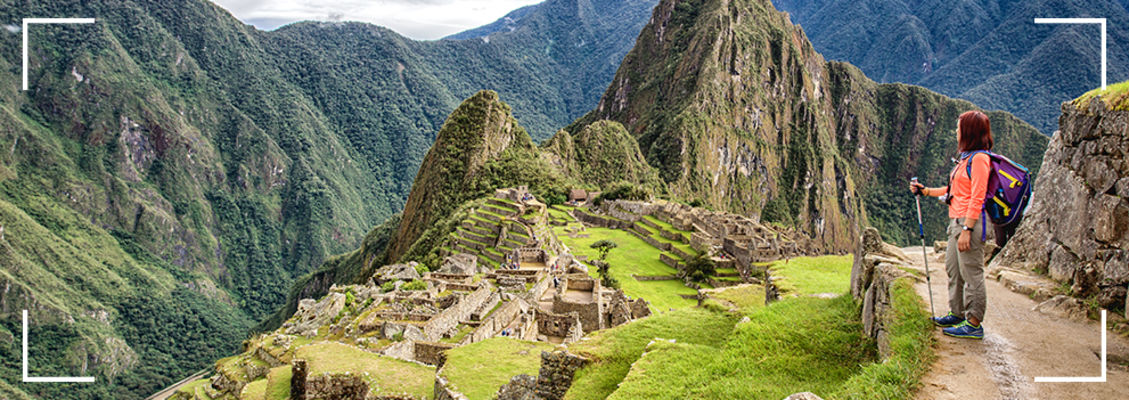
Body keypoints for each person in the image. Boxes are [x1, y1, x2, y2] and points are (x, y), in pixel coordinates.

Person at [909, 110, 993, 340]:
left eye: (959, 128)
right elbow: (952, 191)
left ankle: (974, 323)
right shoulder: (965, 159)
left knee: (972, 273)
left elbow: (978, 196)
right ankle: (957, 314)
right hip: (955, 222)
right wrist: (926, 191)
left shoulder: (980, 160)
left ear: (968, 132)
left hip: (970, 224)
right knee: (954, 270)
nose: (956, 132)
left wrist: (967, 229)